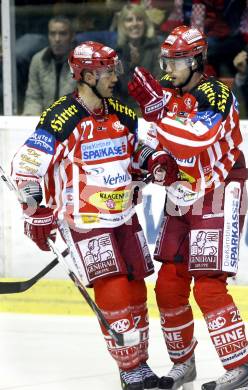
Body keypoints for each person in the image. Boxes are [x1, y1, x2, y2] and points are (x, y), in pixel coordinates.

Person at [11, 40, 177, 390]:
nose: (113, 77)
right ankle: (128, 368)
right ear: (84, 75)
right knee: (114, 290)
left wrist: (154, 161)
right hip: (84, 221)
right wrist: (36, 209)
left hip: (124, 216)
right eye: (105, 71)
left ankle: (140, 364)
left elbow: (139, 149)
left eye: (113, 69)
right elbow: (27, 165)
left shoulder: (120, 111)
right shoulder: (62, 116)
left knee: (134, 290)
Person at [128, 25, 248, 389]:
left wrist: (157, 113)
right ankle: (183, 364)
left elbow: (193, 138)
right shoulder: (167, 92)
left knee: (208, 286)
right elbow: (153, 140)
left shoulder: (216, 93)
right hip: (181, 196)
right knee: (168, 286)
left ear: (198, 60)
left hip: (219, 189)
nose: (170, 68)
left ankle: (240, 367)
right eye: (167, 60)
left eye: (179, 61)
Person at [23, 16, 76, 115]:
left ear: (72, 36)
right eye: (52, 34)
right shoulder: (38, 60)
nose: (57, 39)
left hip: (74, 122)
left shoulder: (82, 62)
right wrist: (32, 122)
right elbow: (33, 98)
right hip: (45, 122)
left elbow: (87, 101)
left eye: (63, 34)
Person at [114, 3, 161, 108]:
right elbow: (123, 90)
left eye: (139, 19)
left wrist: (137, 66)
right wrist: (133, 66)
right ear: (122, 25)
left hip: (152, 107)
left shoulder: (155, 49)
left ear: (145, 23)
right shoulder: (117, 53)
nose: (135, 24)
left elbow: (157, 86)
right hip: (126, 109)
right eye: (129, 20)